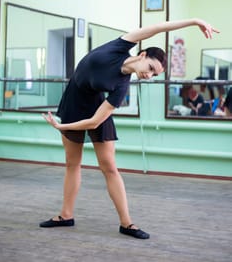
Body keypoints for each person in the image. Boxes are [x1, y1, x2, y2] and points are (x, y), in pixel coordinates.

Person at [40, 18, 219, 239]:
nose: (149, 75)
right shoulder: (121, 46)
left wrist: (61, 126)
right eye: (151, 68)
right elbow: (157, 27)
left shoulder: (121, 85)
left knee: (109, 167)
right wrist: (195, 21)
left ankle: (127, 223)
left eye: (154, 75)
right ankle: (65, 215)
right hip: (74, 102)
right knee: (72, 163)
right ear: (142, 55)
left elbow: (95, 121)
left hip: (95, 108)